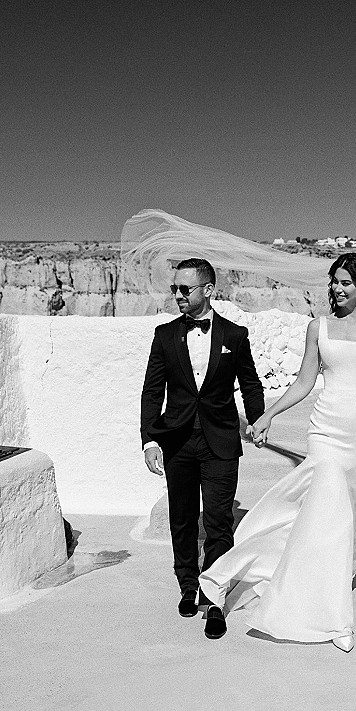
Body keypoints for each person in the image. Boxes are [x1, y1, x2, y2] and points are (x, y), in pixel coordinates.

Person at [199, 251, 356, 650]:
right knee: (326, 511)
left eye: (345, 283)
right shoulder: (317, 328)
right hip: (326, 431)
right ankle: (333, 618)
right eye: (333, 281)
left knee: (354, 516)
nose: (336, 289)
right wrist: (268, 415)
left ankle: (333, 584)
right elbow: (304, 382)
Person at [141, 258, 265, 639]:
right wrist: (149, 440)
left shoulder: (234, 335)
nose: (177, 295)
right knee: (181, 519)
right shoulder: (164, 336)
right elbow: (151, 391)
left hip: (221, 441)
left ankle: (215, 598)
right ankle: (188, 585)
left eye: (185, 289)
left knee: (218, 522)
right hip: (177, 441)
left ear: (208, 290)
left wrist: (258, 420)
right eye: (174, 288)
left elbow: (250, 383)